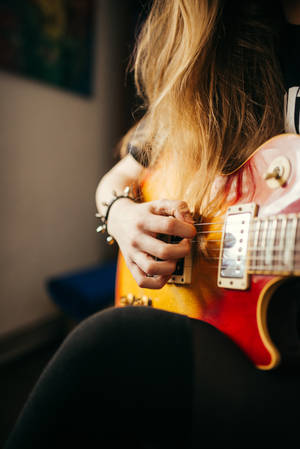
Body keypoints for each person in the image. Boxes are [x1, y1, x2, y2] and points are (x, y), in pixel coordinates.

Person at [5, 1, 300, 448]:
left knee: (109, 344)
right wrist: (122, 217)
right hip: (220, 332)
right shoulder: (220, 53)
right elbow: (120, 177)